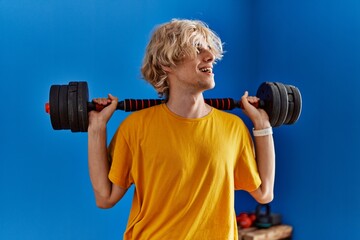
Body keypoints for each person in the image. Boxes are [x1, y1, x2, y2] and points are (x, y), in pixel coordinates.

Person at [88, 19, 275, 240]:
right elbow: (105, 197)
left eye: (209, 50)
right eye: (197, 49)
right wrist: (97, 128)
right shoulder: (135, 128)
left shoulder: (233, 128)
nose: (210, 57)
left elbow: (264, 193)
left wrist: (263, 126)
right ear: (167, 63)